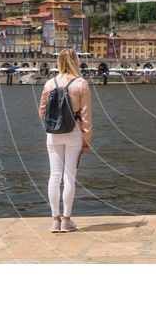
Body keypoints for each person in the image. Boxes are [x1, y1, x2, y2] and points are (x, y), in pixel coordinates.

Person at [38, 49, 92, 233]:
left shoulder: (49, 84)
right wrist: (87, 138)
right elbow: (86, 116)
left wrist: (55, 121)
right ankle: (66, 220)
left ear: (59, 62)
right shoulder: (81, 84)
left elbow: (42, 112)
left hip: (53, 134)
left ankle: (55, 220)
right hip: (74, 132)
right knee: (70, 177)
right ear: (75, 61)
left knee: (54, 176)